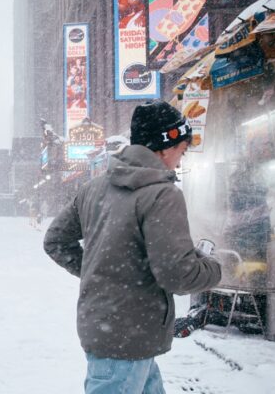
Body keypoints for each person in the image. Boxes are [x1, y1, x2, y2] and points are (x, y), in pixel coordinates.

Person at [43, 101, 221, 394]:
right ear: (165, 146)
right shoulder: (162, 194)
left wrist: (99, 271)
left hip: (111, 328)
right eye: (182, 149)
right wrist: (213, 268)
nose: (181, 158)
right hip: (132, 333)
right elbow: (177, 273)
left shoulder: (94, 188)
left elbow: (55, 241)